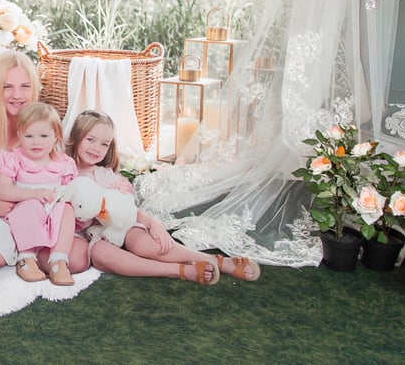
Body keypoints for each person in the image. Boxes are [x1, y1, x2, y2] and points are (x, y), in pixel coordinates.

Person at [66, 110, 261, 284]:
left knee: (143, 244)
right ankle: (180, 270)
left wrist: (154, 225)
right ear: (76, 137)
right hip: (93, 235)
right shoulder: (64, 171)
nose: (97, 148)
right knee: (102, 253)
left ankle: (215, 261)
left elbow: (128, 210)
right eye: (90, 140)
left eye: (104, 144)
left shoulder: (105, 175)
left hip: (122, 225)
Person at [0, 50, 91, 275]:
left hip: (40, 217)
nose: (17, 95)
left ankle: (30, 252)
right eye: (7, 87)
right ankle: (12, 249)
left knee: (77, 258)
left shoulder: (45, 138)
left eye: (25, 86)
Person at [0, 103, 78, 286]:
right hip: (25, 215)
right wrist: (31, 194)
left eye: (43, 136)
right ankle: (26, 258)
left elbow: (72, 192)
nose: (36, 142)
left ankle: (58, 261)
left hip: (54, 216)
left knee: (67, 209)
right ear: (19, 135)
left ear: (56, 137)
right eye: (29, 136)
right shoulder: (14, 159)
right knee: (31, 206)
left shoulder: (64, 163)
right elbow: (1, 190)